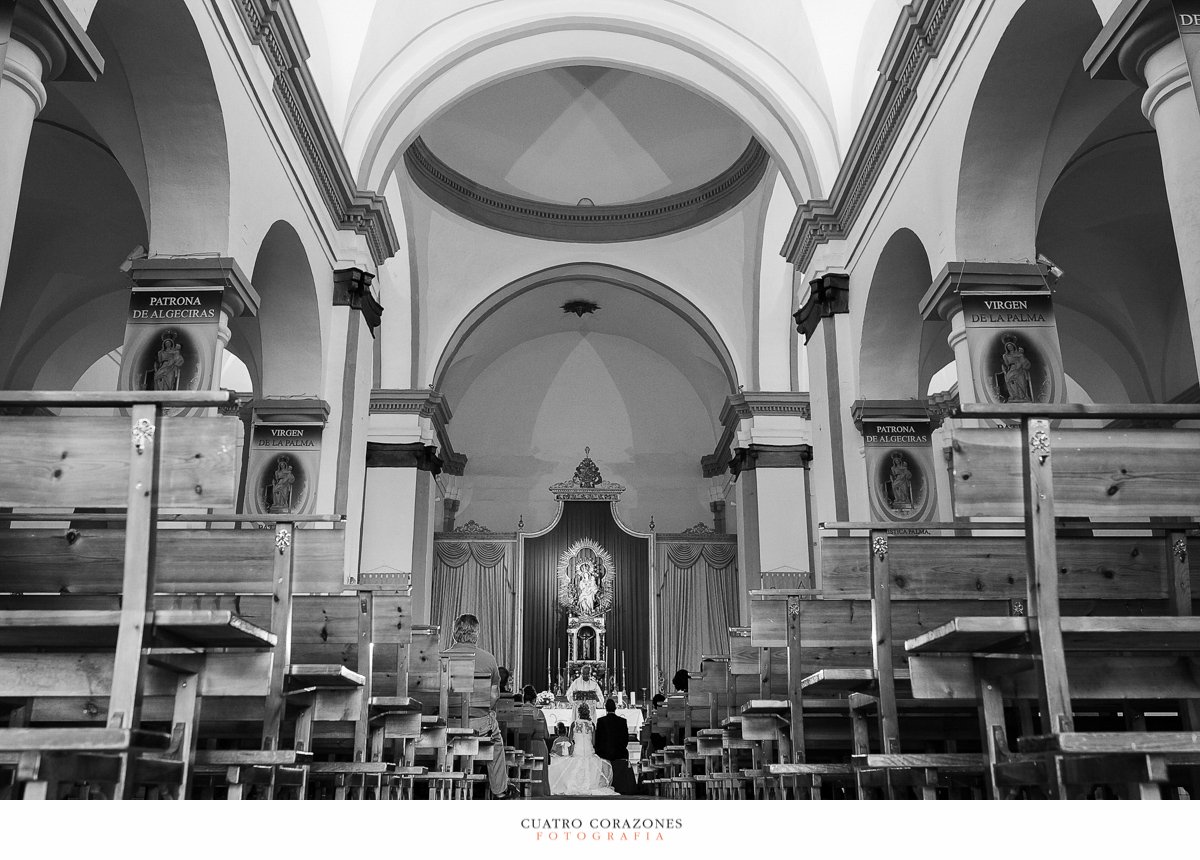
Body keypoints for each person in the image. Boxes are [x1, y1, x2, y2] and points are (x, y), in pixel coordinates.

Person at [445, 613, 520, 799]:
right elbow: (494, 696)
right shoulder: (488, 659)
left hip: (448, 722)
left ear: (455, 632)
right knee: (496, 740)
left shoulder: (442, 657)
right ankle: (499, 789)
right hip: (478, 723)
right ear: (476, 633)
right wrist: (487, 713)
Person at [547, 703, 617, 796]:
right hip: (589, 751)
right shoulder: (591, 724)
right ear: (588, 712)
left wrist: (571, 752)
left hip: (577, 751)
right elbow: (593, 742)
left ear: (578, 712)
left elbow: (571, 740)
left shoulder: (574, 724)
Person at [595, 698, 638, 794]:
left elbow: (598, 739)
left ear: (606, 709)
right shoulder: (622, 721)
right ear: (615, 708)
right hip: (619, 752)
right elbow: (625, 739)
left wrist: (600, 750)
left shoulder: (601, 721)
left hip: (604, 753)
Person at [517, 685, 551, 797]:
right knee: (539, 772)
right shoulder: (539, 713)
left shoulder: (518, 711)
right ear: (534, 699)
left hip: (521, 745)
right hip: (538, 745)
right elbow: (546, 735)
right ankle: (540, 792)